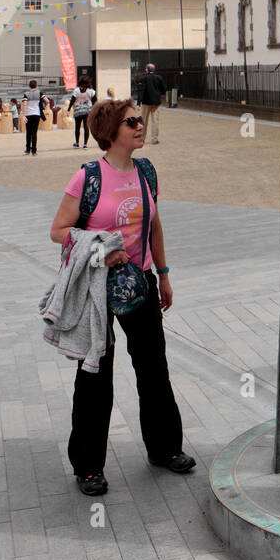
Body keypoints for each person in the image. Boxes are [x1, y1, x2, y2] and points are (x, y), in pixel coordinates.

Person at [48, 97, 195, 496]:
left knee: (153, 368)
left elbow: (155, 227)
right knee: (96, 374)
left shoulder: (146, 170)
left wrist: (162, 275)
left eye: (138, 120)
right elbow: (60, 230)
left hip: (141, 283)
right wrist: (101, 247)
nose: (139, 126)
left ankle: (165, 449)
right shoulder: (87, 177)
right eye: (131, 122)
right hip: (97, 288)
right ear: (111, 132)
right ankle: (88, 466)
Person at [138, 63, 167, 145]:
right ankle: (154, 139)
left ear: (147, 69)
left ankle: (142, 139)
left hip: (146, 102)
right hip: (156, 103)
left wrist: (138, 102)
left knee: (144, 121)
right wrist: (158, 94)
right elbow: (164, 89)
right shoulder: (159, 78)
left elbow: (141, 91)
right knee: (155, 121)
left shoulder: (143, 78)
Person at [67, 75, 96, 149]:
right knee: (86, 127)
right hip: (87, 111)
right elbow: (95, 102)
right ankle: (85, 144)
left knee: (77, 127)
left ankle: (77, 143)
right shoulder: (91, 91)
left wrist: (68, 109)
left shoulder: (76, 91)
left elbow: (72, 100)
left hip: (78, 111)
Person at [23, 79, 42, 155]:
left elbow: (24, 103)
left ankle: (28, 150)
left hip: (28, 114)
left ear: (29, 86)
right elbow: (46, 100)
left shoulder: (26, 94)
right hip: (36, 114)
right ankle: (34, 151)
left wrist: (24, 114)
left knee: (28, 133)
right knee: (34, 133)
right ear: (36, 86)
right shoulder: (39, 93)